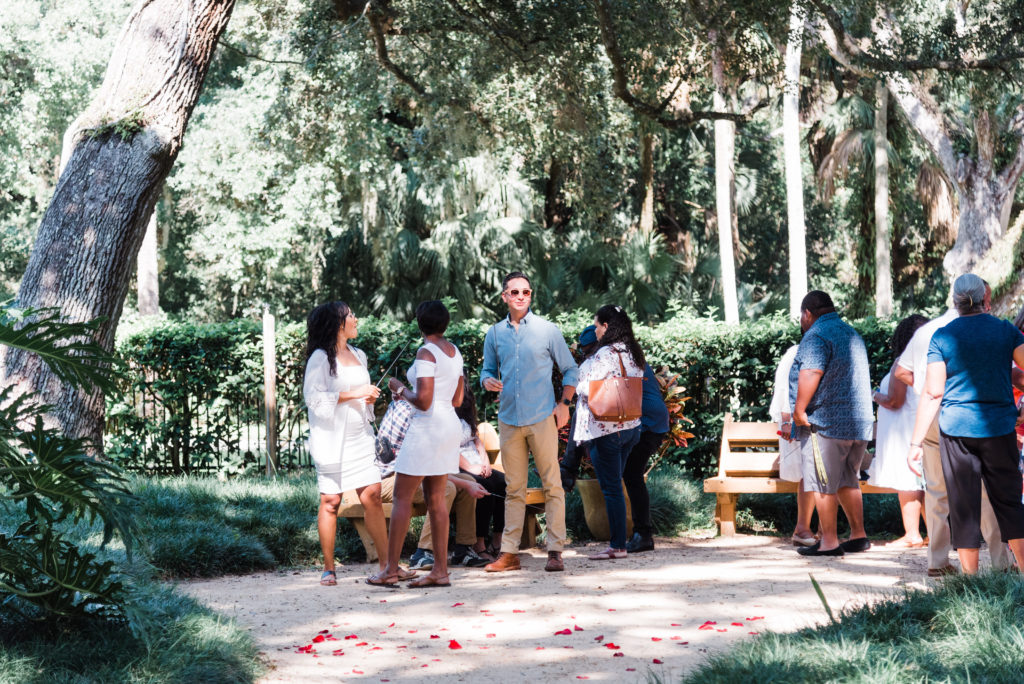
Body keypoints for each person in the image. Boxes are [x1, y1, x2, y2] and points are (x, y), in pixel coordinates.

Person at [907, 274, 1024, 574]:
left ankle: (972, 583)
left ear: (955, 302)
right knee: (1009, 502)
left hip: (957, 432)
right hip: (998, 429)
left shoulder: (943, 336)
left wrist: (916, 443)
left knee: (964, 505)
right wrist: (1002, 376)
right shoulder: (1004, 330)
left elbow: (934, 392)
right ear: (985, 300)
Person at [480, 272, 578, 573]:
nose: (521, 296)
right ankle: (509, 554)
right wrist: (487, 382)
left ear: (531, 295)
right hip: (509, 420)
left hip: (541, 418)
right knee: (513, 488)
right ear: (505, 297)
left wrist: (564, 404)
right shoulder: (494, 334)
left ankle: (555, 550)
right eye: (514, 292)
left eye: (526, 292)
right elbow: (485, 371)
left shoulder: (548, 331)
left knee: (552, 484)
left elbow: (571, 370)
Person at [368, 300, 465, 588]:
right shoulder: (454, 351)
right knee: (436, 500)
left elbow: (423, 401)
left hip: (427, 428)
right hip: (449, 425)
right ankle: (440, 571)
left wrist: (399, 388)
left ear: (419, 324)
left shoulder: (426, 352)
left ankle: (389, 571)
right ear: (445, 323)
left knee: (401, 497)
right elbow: (458, 399)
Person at [303, 301, 387, 586]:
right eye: (351, 315)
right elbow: (314, 399)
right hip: (332, 439)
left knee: (372, 496)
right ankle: (329, 568)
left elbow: (362, 393)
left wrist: (369, 398)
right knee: (331, 501)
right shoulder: (320, 358)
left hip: (360, 437)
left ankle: (387, 566)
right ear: (338, 323)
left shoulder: (359, 354)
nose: (356, 318)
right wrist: (354, 393)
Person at [790, 291, 874, 557]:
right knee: (849, 479)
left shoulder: (816, 335)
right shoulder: (852, 334)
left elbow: (812, 371)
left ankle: (828, 541)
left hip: (827, 423)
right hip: (858, 424)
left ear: (807, 314)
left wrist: (799, 410)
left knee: (822, 481)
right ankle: (858, 535)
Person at [573, 305, 646, 560]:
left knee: (611, 488)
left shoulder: (605, 353)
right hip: (630, 428)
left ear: (607, 326)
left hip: (606, 429)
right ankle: (619, 542)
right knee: (617, 484)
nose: (595, 330)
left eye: (597, 325)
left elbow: (586, 388)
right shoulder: (633, 351)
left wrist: (579, 377)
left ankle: (617, 545)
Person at [869, 314, 929, 547]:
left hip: (905, 429)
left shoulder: (903, 362)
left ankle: (912, 534)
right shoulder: (926, 363)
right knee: (920, 483)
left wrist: (874, 395)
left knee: (908, 482)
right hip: (914, 426)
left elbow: (895, 401)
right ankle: (932, 533)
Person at [622, 334, 670, 553]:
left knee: (632, 475)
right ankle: (641, 533)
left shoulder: (623, 358)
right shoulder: (629, 353)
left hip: (648, 422)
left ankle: (643, 534)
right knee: (632, 475)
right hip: (651, 420)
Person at [455, 382, 507, 563]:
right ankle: (479, 543)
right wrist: (470, 467)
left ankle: (498, 540)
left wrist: (485, 461)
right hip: (457, 465)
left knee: (503, 483)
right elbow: (447, 448)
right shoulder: (445, 413)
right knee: (484, 487)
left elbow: (476, 439)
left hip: (476, 462)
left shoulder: (466, 414)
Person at [769, 343, 816, 546]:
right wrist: (787, 420)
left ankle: (823, 529)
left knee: (823, 474)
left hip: (818, 419)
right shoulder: (796, 352)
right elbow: (784, 387)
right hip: (799, 420)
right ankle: (802, 528)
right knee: (809, 472)